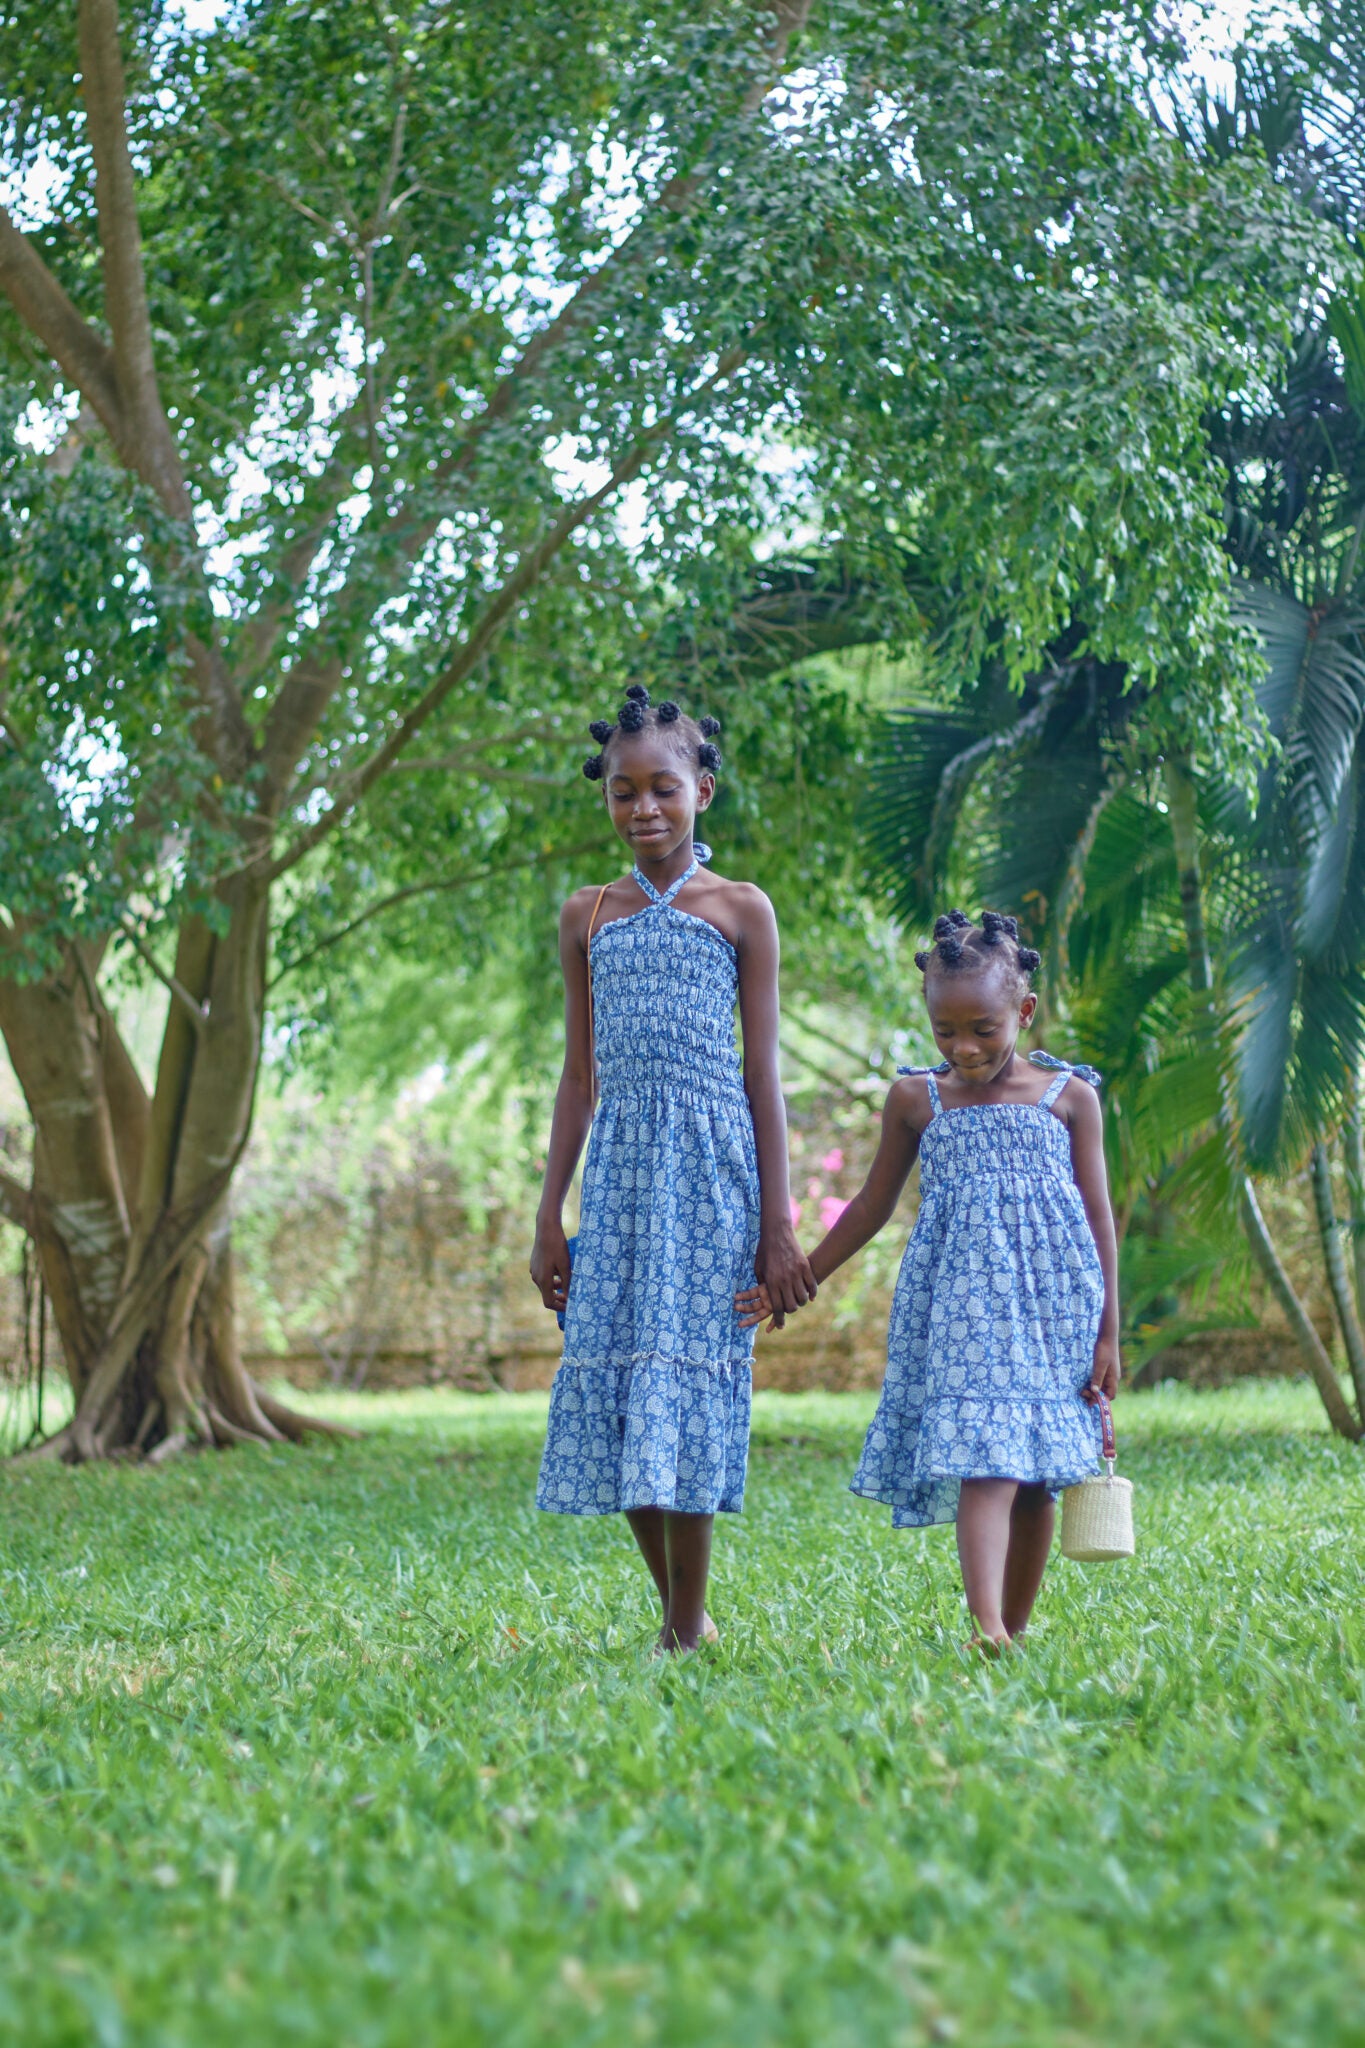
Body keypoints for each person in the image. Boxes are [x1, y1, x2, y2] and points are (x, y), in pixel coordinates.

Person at [737, 908, 1119, 1649]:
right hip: (962, 1309)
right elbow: (871, 1206)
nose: (964, 1047)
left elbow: (1098, 1219)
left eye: (983, 1028)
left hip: (1052, 1312)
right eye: (945, 1031)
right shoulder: (917, 1098)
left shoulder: (1069, 1097)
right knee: (986, 1461)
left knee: (1035, 1474)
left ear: (1024, 1010)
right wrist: (799, 1277)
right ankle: (983, 1624)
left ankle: (1013, 1624)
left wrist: (1108, 1330)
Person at [531, 685, 816, 1651]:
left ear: (702, 790)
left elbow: (762, 1073)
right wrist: (546, 1215)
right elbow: (578, 1076)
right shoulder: (587, 914)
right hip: (616, 1180)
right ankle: (676, 1618)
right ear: (604, 799)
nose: (643, 808)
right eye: (622, 792)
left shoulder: (740, 910)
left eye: (663, 788)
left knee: (684, 1390)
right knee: (616, 1392)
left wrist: (778, 1226)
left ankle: (683, 1631)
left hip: (710, 1177)